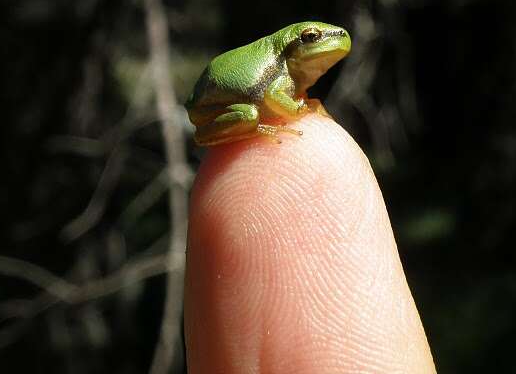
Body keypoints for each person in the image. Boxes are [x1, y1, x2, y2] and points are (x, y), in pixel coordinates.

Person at [184, 113, 437, 373]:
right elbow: (273, 95)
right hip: (237, 100)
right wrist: (293, 108)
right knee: (250, 114)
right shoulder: (280, 76)